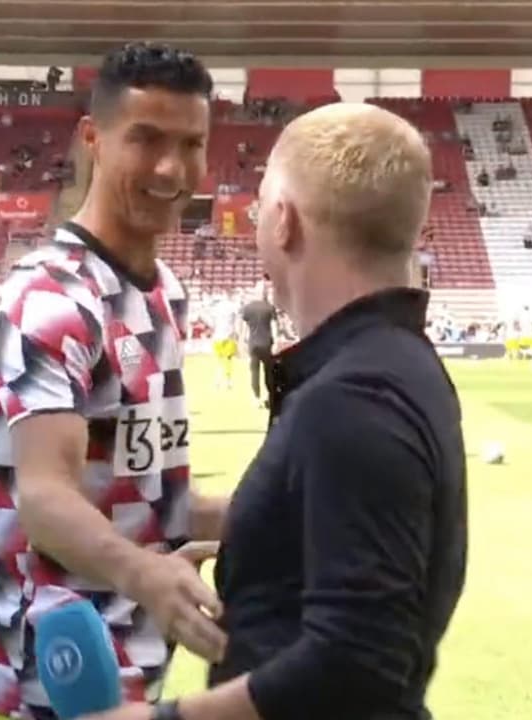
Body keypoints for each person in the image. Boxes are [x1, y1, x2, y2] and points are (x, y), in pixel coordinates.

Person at [81, 103, 468, 720]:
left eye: (261, 207)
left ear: (284, 220)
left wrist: (159, 718)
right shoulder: (388, 365)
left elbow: (358, 660)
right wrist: (219, 529)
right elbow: (332, 524)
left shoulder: (354, 396)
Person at [0, 42, 231, 720]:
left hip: (133, 673)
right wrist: (146, 573)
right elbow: (44, 498)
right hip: (43, 682)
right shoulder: (50, 299)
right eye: (146, 139)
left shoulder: (163, 292)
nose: (171, 169)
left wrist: (281, 516)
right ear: (93, 139)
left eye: (191, 144)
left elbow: (147, 500)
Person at [239, 285, 276, 408]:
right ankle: (270, 396)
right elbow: (274, 327)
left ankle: (256, 398)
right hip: (266, 343)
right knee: (268, 372)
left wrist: (242, 341)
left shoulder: (248, 308)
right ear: (264, 293)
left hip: (253, 344)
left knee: (254, 372)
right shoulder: (269, 307)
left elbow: (244, 328)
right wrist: (276, 342)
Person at [209, 293, 240, 389]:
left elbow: (211, 324)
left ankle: (217, 381)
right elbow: (236, 321)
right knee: (228, 361)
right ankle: (228, 382)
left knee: (219, 361)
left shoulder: (215, 308)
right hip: (228, 336)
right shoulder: (233, 306)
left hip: (217, 337)